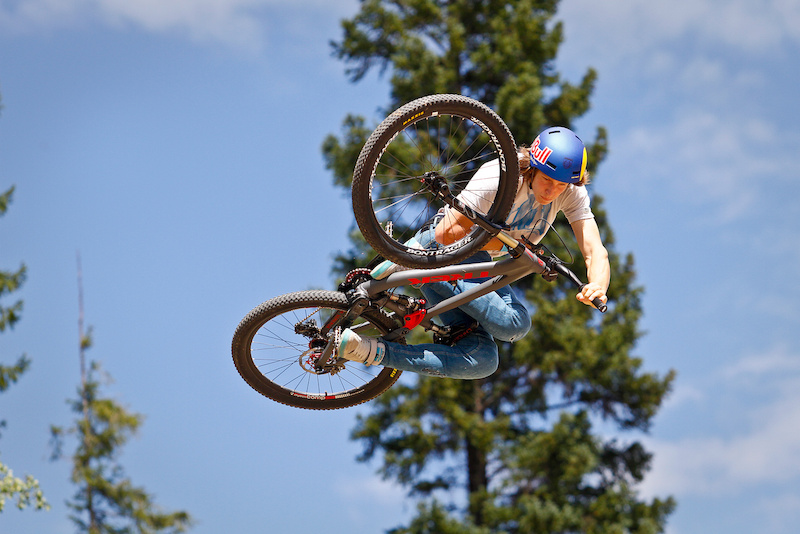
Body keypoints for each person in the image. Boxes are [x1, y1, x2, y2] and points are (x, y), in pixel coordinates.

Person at [335, 126, 610, 379]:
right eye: (548, 180)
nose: (552, 191)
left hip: (478, 263)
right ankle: (411, 261)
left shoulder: (570, 192)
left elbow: (595, 250)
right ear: (533, 165)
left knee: (482, 360)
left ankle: (367, 350)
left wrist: (598, 285)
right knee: (514, 324)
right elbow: (446, 233)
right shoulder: (503, 175)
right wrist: (508, 246)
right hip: (444, 248)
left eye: (561, 185)